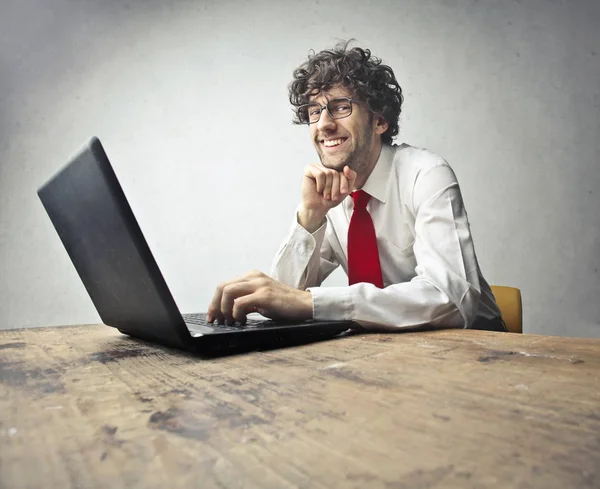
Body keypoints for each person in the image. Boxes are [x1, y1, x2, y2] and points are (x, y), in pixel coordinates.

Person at [206, 41, 505, 332]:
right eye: (314, 111)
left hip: (477, 345)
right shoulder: (329, 195)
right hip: (390, 350)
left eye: (340, 107)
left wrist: (312, 304)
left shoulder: (426, 175)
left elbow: (451, 301)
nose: (323, 124)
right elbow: (286, 296)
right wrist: (310, 217)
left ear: (379, 121)